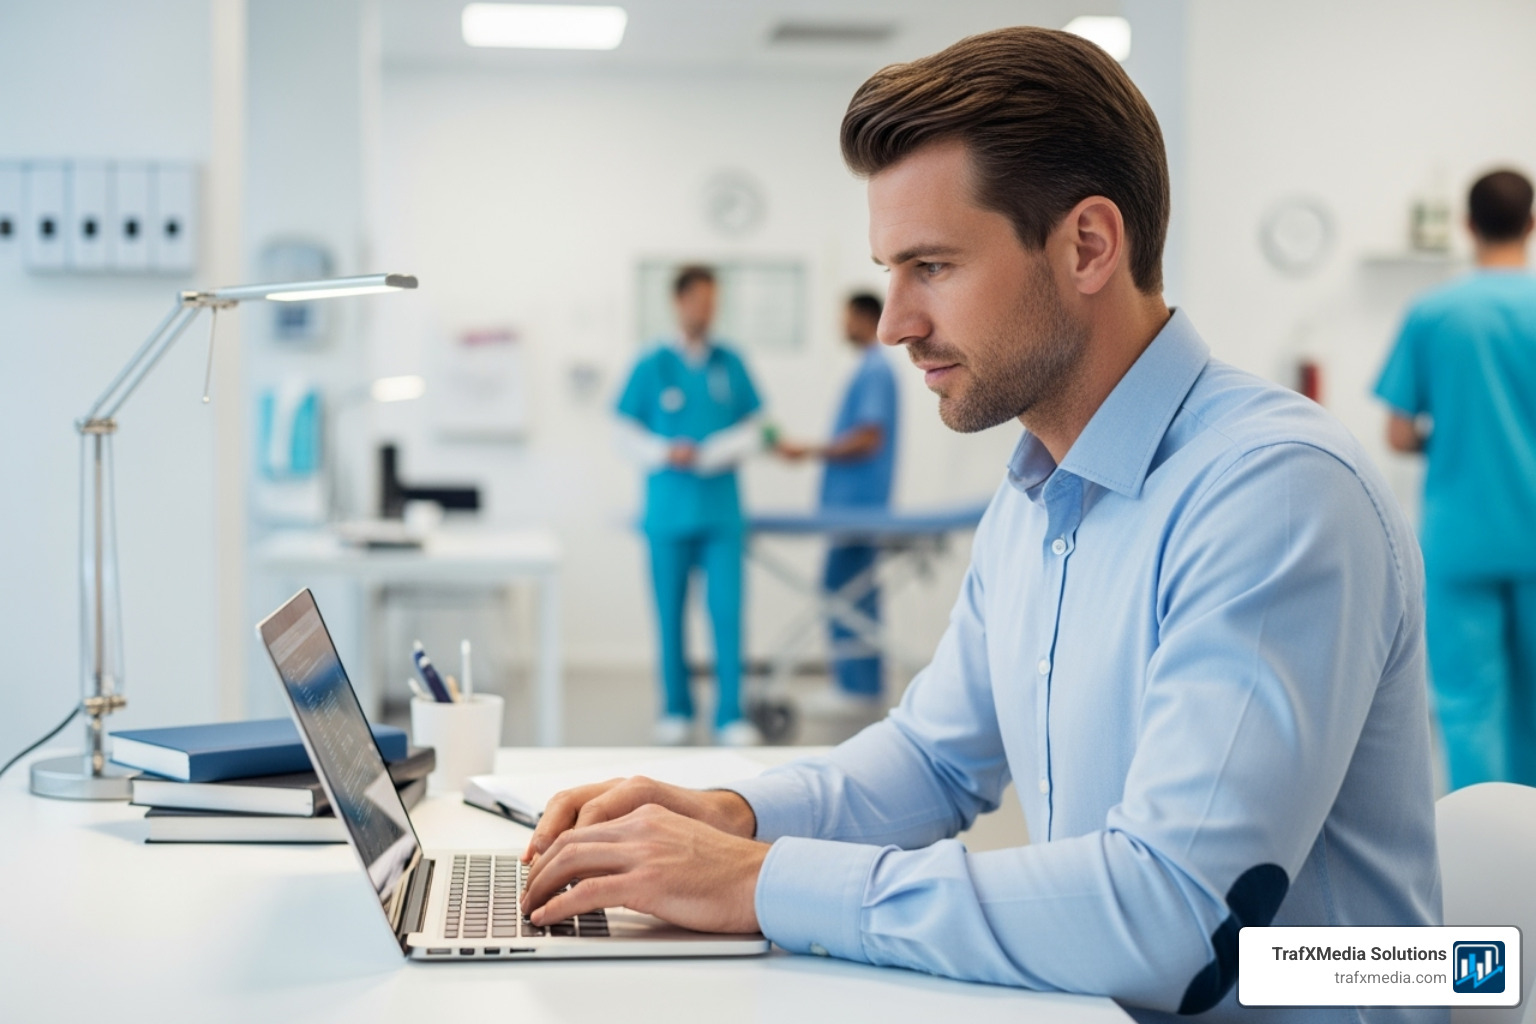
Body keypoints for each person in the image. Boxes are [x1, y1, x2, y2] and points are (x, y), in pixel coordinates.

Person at [527, 28, 1440, 1022]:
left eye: (933, 267)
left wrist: (757, 879)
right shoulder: (1038, 493)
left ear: (1088, 246)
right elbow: (935, 757)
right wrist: (730, 816)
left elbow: (1173, 918)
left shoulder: (1271, 491)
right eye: (891, 271)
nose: (893, 323)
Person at [1374, 168, 1536, 790]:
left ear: (1468, 226)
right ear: (1531, 223)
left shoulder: (1436, 313)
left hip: (1462, 539)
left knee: (1468, 710)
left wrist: (1459, 435)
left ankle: (1489, 861)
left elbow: (1397, 432)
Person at [615, 265, 765, 747]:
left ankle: (729, 715)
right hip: (668, 514)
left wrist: (717, 451)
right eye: (699, 300)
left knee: (727, 613)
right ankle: (676, 708)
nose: (706, 310)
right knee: (669, 614)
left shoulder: (730, 363)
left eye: (712, 302)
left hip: (721, 513)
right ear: (679, 302)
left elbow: (758, 425)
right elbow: (623, 430)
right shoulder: (652, 364)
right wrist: (664, 452)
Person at [775, 292, 900, 705]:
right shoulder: (868, 369)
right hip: (852, 506)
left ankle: (856, 687)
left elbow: (869, 436)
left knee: (843, 592)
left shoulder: (875, 371)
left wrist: (811, 450)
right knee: (854, 593)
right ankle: (860, 685)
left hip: (858, 507)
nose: (841, 327)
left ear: (865, 318)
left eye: (846, 318)